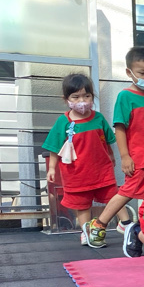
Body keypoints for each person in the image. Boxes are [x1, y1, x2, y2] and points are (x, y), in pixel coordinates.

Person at [83, 46, 144, 248]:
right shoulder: (125, 97)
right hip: (139, 159)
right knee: (127, 192)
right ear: (129, 72)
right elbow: (120, 128)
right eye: (142, 73)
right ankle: (99, 224)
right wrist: (125, 156)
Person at [42, 73, 133, 243]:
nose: (82, 101)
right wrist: (52, 168)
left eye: (86, 96)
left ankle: (125, 223)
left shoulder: (98, 118)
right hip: (76, 173)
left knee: (113, 194)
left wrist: (112, 157)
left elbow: (107, 141)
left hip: (101, 169)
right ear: (66, 99)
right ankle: (86, 231)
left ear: (92, 96)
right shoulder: (63, 122)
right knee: (82, 203)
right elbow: (54, 148)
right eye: (75, 97)